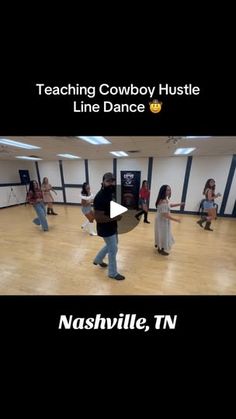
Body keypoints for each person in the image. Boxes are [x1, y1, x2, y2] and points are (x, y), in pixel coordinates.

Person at [93, 172, 125, 280]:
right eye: (108, 181)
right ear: (102, 183)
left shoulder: (110, 193)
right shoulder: (99, 197)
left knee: (113, 245)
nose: (111, 183)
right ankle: (112, 273)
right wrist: (115, 218)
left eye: (112, 181)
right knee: (113, 249)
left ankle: (98, 259)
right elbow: (98, 218)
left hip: (112, 225)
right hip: (105, 228)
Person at [154, 185, 184, 255]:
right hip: (162, 220)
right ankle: (160, 248)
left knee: (162, 233)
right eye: (167, 190)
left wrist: (180, 204)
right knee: (163, 234)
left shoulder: (165, 200)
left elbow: (170, 205)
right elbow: (165, 215)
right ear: (163, 191)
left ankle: (159, 245)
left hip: (162, 219)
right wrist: (176, 220)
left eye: (169, 190)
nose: (169, 191)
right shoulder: (163, 201)